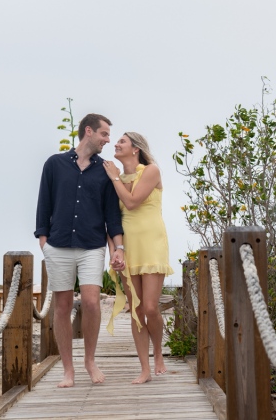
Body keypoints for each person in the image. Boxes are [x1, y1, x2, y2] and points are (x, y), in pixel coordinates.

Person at [34, 113, 125, 388]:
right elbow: (43, 205)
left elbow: (112, 214)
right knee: (61, 307)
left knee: (91, 302)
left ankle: (89, 360)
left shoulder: (105, 170)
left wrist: (117, 248)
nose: (108, 140)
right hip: (58, 245)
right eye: (105, 134)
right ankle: (68, 370)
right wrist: (43, 241)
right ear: (89, 131)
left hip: (92, 245)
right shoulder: (54, 164)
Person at [103, 131, 174, 384]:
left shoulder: (151, 170)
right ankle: (144, 368)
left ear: (135, 148)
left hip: (152, 242)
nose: (116, 144)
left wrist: (113, 178)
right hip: (128, 246)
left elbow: (132, 202)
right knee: (136, 309)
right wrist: (114, 252)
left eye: (121, 141)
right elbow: (111, 220)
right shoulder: (116, 179)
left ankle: (158, 355)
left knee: (151, 307)